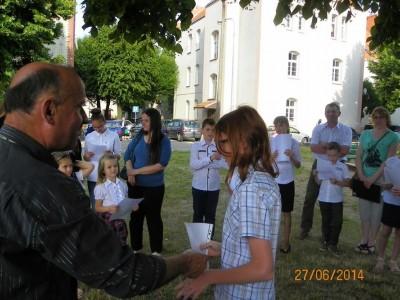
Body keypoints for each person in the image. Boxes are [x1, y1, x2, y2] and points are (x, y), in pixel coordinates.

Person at [0, 62, 206, 299]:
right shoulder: (41, 183)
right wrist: (186, 261)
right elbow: (124, 274)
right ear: (49, 111)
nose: (84, 118)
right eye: (78, 107)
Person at [176, 106, 281, 300]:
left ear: (244, 142)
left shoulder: (251, 189)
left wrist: (208, 277)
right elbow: (257, 246)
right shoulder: (260, 180)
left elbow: (263, 267)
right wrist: (226, 248)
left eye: (224, 142)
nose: (219, 150)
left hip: (244, 294)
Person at [299, 102, 352, 239]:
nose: (331, 113)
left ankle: (329, 234)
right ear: (325, 113)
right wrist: (334, 148)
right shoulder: (318, 129)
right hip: (320, 164)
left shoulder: (346, 130)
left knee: (333, 197)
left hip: (338, 165)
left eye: (334, 111)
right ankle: (305, 228)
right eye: (328, 111)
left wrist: (324, 145)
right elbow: (313, 148)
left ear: (339, 113)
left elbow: (345, 150)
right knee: (310, 197)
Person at [124, 108, 171, 255]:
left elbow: (160, 165)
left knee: (154, 219)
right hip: (135, 187)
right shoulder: (138, 137)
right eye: (141, 120)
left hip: (154, 188)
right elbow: (127, 155)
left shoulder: (164, 141)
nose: (142, 123)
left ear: (154, 122)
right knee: (135, 218)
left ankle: (156, 251)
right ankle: (136, 249)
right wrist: (130, 171)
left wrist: (135, 172)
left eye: (146, 120)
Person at [354, 106, 398, 254]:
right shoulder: (365, 134)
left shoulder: (393, 137)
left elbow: (388, 162)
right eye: (376, 117)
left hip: (381, 180)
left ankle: (372, 241)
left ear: (387, 118)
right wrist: (361, 175)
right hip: (364, 178)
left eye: (381, 117)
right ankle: (364, 239)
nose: (378, 120)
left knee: (376, 214)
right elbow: (359, 156)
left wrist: (372, 179)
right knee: (364, 212)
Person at [190, 118, 227, 239]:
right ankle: (197, 244)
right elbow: (194, 165)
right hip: (198, 187)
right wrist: (210, 158)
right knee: (198, 215)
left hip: (213, 188)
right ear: (202, 130)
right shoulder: (195, 146)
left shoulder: (219, 147)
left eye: (213, 130)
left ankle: (208, 244)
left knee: (211, 217)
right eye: (207, 129)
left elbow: (225, 165)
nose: (210, 133)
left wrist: (205, 163)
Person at [314, 142, 350, 256]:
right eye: (329, 155)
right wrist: (315, 175)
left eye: (334, 155)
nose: (331, 158)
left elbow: (348, 183)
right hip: (324, 198)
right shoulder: (323, 165)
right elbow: (318, 182)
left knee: (337, 222)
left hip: (337, 199)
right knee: (326, 221)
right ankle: (325, 242)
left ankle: (333, 244)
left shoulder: (343, 166)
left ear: (339, 154)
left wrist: (338, 182)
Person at [272, 116, 301, 253]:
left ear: (287, 126)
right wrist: (271, 158)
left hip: (288, 181)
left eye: (282, 125)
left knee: (286, 213)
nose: (279, 128)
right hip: (274, 181)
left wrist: (292, 156)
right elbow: (264, 164)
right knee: (272, 213)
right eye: (277, 125)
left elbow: (298, 164)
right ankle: (271, 241)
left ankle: (286, 242)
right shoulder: (272, 141)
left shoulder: (294, 143)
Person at [95, 153, 136, 245]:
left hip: (120, 221)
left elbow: (125, 202)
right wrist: (109, 208)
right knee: (109, 245)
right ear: (103, 171)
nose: (113, 169)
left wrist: (132, 205)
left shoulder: (123, 185)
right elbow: (97, 208)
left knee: (122, 242)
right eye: (109, 167)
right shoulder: (100, 188)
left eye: (115, 166)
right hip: (107, 222)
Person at [84, 109, 121, 209]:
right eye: (94, 127)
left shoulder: (114, 136)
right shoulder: (88, 137)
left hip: (109, 175)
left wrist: (112, 154)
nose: (97, 129)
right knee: (96, 205)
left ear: (104, 122)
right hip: (93, 176)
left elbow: (118, 155)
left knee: (110, 203)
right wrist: (86, 156)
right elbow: (85, 157)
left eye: (99, 126)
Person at [369, 156, 400, 272]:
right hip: (390, 201)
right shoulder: (391, 161)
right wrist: (385, 185)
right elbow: (382, 179)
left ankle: (393, 261)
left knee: (399, 233)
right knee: (385, 230)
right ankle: (380, 259)